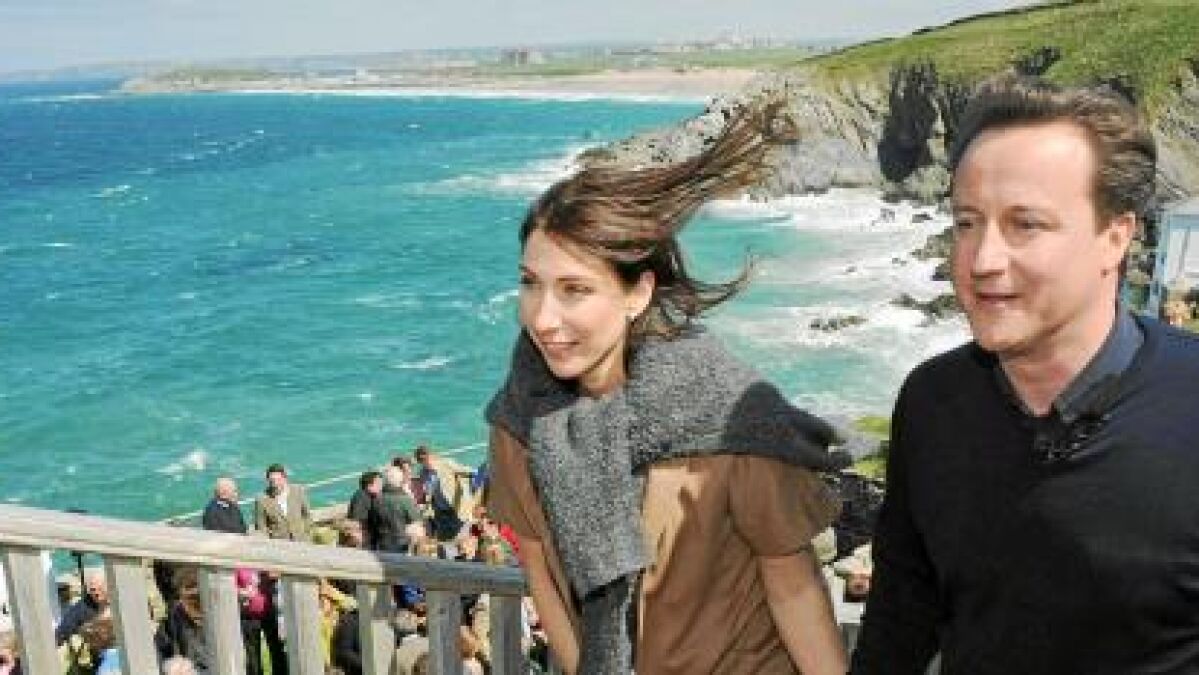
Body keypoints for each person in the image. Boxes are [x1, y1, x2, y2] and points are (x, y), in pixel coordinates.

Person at [851, 74, 1199, 673]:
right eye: (966, 223)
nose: (983, 260)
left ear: (1115, 237)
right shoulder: (934, 402)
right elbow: (900, 620)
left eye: (1026, 224)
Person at [485, 105, 848, 674]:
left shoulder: (729, 416)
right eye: (531, 284)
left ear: (638, 293)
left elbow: (792, 585)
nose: (543, 318)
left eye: (575, 289)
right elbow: (540, 574)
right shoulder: (523, 418)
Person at [253, 463, 312, 542]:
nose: (275, 484)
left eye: (278, 480)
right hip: (279, 544)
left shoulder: (298, 491)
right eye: (272, 481)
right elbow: (261, 526)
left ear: (285, 478)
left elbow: (307, 515)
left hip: (302, 540)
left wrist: (307, 533)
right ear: (268, 480)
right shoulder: (262, 499)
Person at [375, 465, 425, 554]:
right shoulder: (404, 500)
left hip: (382, 540)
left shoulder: (377, 499)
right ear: (400, 481)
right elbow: (417, 520)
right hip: (401, 542)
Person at [55, 572, 108, 646]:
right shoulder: (80, 609)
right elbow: (61, 633)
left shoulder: (118, 602)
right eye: (93, 590)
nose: (96, 593)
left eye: (100, 589)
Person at [346, 470, 383, 549]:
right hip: (364, 538)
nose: (381, 486)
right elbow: (355, 522)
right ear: (369, 485)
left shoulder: (373, 496)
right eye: (378, 484)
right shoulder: (361, 497)